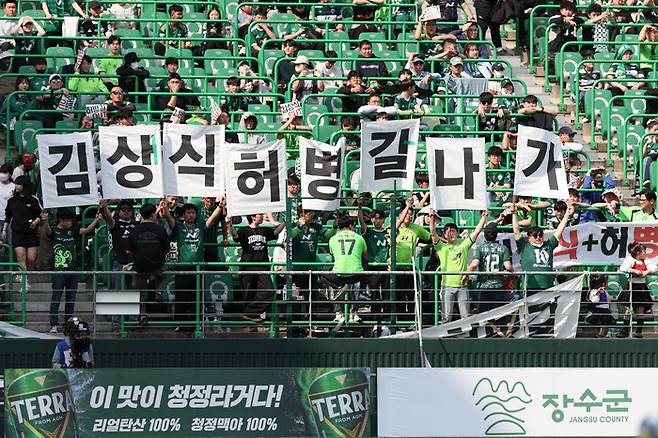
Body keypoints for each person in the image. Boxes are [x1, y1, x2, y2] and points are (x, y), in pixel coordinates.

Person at [162, 202, 222, 329]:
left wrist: (220, 206)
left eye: (193, 213)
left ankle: (197, 323)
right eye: (188, 213)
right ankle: (180, 324)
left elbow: (212, 219)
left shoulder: (200, 226)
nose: (191, 215)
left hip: (198, 267)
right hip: (182, 267)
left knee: (197, 297)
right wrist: (165, 208)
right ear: (184, 215)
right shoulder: (179, 227)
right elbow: (168, 218)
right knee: (181, 296)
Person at [43, 208, 101, 334]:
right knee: (56, 297)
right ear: (61, 220)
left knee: (71, 298)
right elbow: (47, 230)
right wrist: (46, 220)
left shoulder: (73, 231)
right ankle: (54, 324)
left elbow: (87, 230)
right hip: (58, 271)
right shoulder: (54, 231)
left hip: (73, 270)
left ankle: (67, 324)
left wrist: (96, 220)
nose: (70, 222)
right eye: (68, 220)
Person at [430, 210, 488, 323]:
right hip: (446, 287)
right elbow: (432, 233)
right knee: (446, 318)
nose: (451, 233)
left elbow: (476, 231)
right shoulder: (441, 247)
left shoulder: (463, 246)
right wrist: (431, 218)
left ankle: (466, 339)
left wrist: (484, 217)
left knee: (465, 318)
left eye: (453, 231)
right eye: (448, 232)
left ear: (457, 233)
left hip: (462, 286)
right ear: (444, 235)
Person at [226, 213, 284, 322]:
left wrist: (285, 222)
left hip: (262, 266)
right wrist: (229, 224)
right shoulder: (244, 230)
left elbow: (276, 232)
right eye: (259, 215)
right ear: (253, 217)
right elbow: (235, 236)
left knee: (269, 291)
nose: (262, 216)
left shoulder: (264, 231)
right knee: (248, 294)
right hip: (247, 266)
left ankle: (249, 312)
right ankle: (251, 319)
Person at [512, 198, 573, 294]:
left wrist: (566, 216)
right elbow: (516, 231)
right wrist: (514, 214)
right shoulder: (524, 246)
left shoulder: (549, 244)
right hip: (528, 287)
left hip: (547, 288)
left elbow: (559, 230)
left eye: (540, 235)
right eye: (535, 236)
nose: (538, 238)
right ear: (529, 237)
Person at [126, 203, 170, 327]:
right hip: (157, 267)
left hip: (140, 267)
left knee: (139, 292)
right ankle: (158, 291)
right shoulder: (160, 230)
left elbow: (129, 250)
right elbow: (167, 249)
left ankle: (143, 315)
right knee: (163, 275)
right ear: (153, 215)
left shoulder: (135, 230)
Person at [99, 199, 136, 331]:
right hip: (119, 262)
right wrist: (104, 208)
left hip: (133, 263)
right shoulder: (115, 223)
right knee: (117, 291)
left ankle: (132, 322)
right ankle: (115, 323)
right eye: (123, 209)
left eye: (128, 209)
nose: (126, 212)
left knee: (132, 292)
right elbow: (108, 218)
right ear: (119, 212)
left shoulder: (136, 224)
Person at [394, 197, 431, 319]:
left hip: (410, 267)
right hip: (396, 268)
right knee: (398, 297)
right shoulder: (395, 227)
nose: (408, 216)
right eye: (407, 213)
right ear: (401, 214)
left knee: (411, 296)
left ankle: (411, 321)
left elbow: (430, 238)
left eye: (411, 214)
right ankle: (399, 322)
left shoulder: (416, 228)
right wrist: (408, 205)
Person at [326, 214, 368, 323]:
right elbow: (365, 256)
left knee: (324, 275)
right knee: (362, 272)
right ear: (350, 225)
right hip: (356, 274)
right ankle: (354, 312)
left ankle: (338, 312)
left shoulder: (333, 239)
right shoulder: (359, 238)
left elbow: (333, 255)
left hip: (339, 274)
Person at [2, 176, 42, 286]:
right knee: (21, 257)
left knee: (31, 258)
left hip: (31, 233)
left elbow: (40, 214)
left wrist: (35, 222)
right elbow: (8, 216)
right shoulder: (11, 200)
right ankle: (25, 283)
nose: (16, 186)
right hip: (17, 232)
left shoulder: (33, 200)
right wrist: (4, 230)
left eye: (18, 184)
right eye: (15, 184)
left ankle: (22, 274)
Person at [468, 222, 513, 313]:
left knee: (483, 315)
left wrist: (466, 274)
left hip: (484, 286)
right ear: (496, 235)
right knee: (498, 315)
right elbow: (508, 266)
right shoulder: (503, 248)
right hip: (498, 286)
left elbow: (474, 265)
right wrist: (513, 272)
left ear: (485, 235)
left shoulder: (480, 248)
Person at [358, 201, 390, 324]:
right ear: (371, 219)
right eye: (375, 218)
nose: (378, 221)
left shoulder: (388, 232)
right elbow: (361, 221)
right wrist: (359, 207)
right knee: (374, 293)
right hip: (373, 267)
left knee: (387, 293)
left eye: (380, 218)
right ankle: (375, 318)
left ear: (383, 220)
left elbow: (399, 224)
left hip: (386, 267)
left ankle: (386, 317)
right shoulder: (368, 232)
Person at [618, 242, 656, 338]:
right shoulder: (631, 259)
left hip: (641, 287)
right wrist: (634, 270)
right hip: (632, 286)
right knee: (628, 309)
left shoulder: (645, 261)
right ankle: (625, 330)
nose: (645, 253)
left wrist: (646, 271)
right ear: (638, 252)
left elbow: (654, 267)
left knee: (640, 310)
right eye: (644, 251)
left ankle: (639, 331)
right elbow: (623, 268)